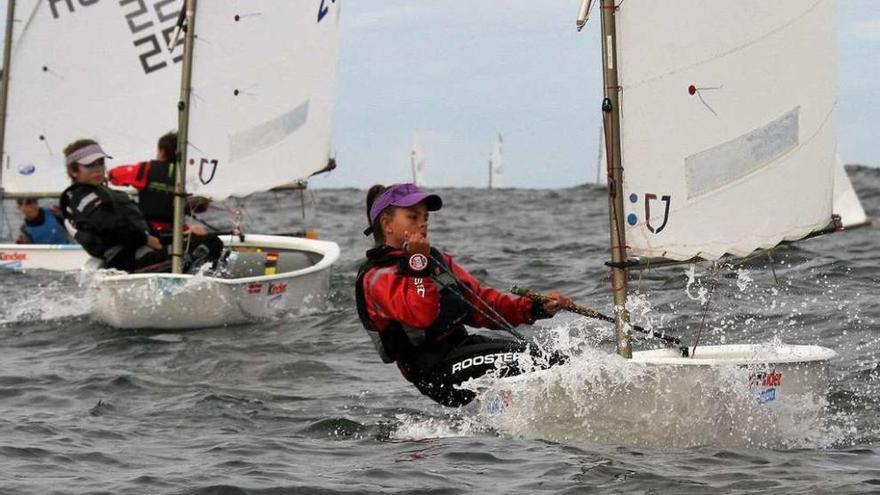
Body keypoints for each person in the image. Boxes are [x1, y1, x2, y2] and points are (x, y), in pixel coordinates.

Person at [355, 183, 572, 407]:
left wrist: (536, 307)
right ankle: (506, 423)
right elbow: (420, 315)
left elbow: (484, 303)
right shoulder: (377, 277)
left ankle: (512, 421)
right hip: (434, 371)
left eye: (426, 217)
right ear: (387, 224)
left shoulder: (437, 260)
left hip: (463, 350)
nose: (422, 223)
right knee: (531, 364)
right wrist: (418, 265)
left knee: (554, 361)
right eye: (412, 216)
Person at [59, 138, 222, 273]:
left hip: (145, 252)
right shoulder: (81, 197)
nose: (98, 168)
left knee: (208, 240)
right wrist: (146, 239)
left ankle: (200, 278)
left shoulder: (106, 193)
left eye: (100, 162)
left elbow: (143, 231)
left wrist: (184, 233)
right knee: (205, 245)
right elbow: (110, 228)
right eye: (90, 164)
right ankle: (194, 278)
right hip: (130, 262)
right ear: (74, 171)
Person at [106, 131, 209, 240]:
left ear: (161, 151)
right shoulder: (190, 174)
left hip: (148, 231)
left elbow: (114, 175)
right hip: (176, 232)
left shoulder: (146, 169)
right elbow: (202, 206)